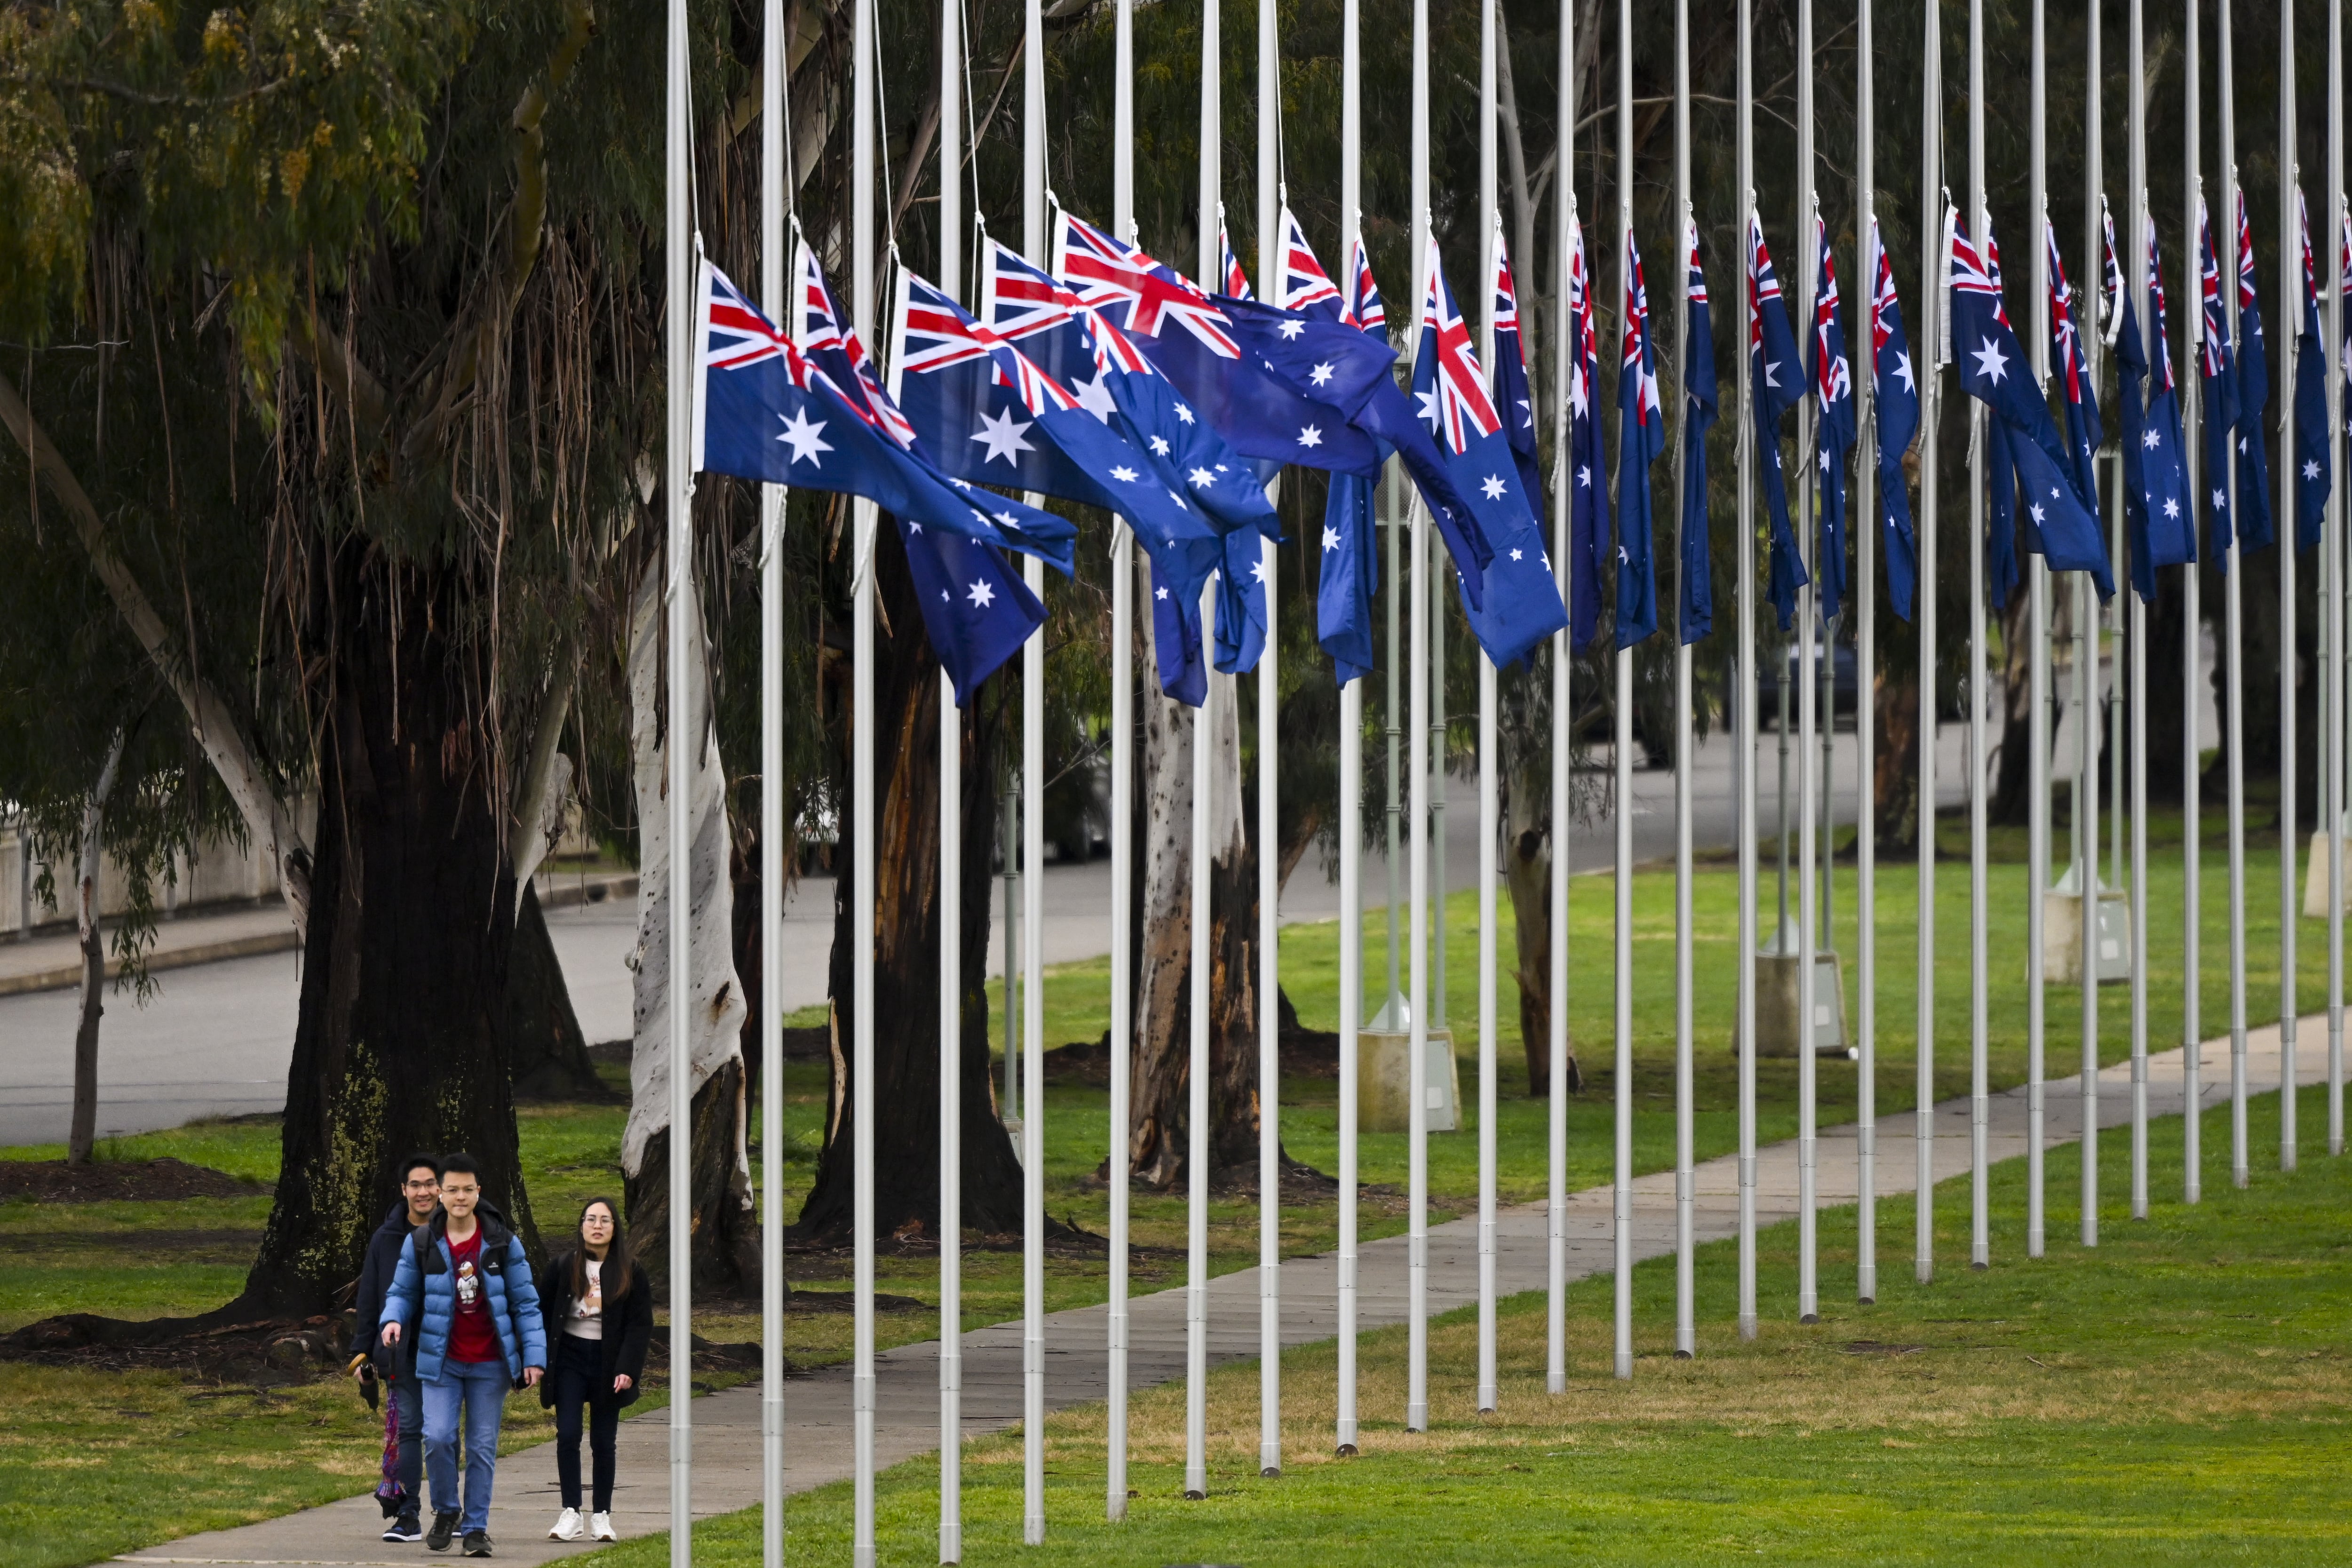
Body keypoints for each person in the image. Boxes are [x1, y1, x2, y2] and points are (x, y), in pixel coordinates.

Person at [381, 1154, 546, 1558]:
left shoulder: (503, 1241)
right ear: (440, 1192)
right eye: (451, 1189)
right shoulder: (421, 1242)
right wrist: (392, 1320)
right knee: (437, 1437)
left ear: (478, 1192)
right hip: (441, 1360)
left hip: (490, 1363)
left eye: (467, 1189)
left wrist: (535, 1357)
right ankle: (447, 1510)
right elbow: (401, 1292)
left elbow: (526, 1304)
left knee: (481, 1446)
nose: (459, 1197)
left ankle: (475, 1528)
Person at [538, 1198, 652, 1543]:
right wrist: (535, 1360)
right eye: (591, 1219)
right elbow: (541, 1315)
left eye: (605, 1220)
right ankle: (571, 1511)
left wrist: (628, 1368)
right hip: (570, 1360)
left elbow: (639, 1325)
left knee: (604, 1442)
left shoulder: (632, 1270)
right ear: (582, 1225)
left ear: (615, 1228)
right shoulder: (562, 1267)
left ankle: (601, 1514)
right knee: (569, 1433)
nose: (597, 1225)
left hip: (609, 1364)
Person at [348, 1154, 442, 1544]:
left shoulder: (455, 1233)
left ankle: (450, 1512)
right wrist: (361, 1354)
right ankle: (408, 1514)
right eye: (415, 1185)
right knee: (409, 1431)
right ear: (404, 1190)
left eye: (429, 1184)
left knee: (443, 1436)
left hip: (446, 1349)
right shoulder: (386, 1238)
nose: (423, 1191)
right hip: (399, 1352)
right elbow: (370, 1297)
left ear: (441, 1187)